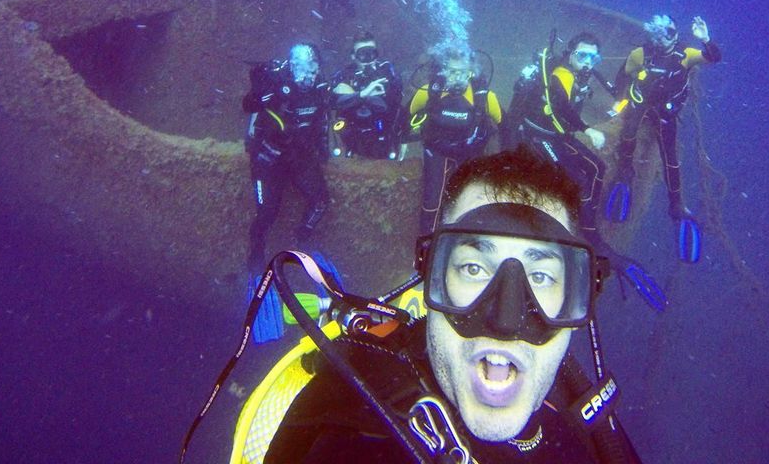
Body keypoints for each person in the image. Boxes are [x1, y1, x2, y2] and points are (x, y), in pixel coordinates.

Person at [263, 146, 643, 463]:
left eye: (541, 277)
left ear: (579, 296)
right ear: (431, 276)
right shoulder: (356, 434)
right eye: (474, 268)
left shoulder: (574, 405)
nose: (505, 321)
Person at [611, 15, 721, 263]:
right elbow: (625, 74)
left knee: (670, 158)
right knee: (628, 133)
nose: (663, 42)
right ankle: (625, 172)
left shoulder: (686, 54)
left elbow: (714, 57)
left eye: (668, 35)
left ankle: (676, 204)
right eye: (658, 37)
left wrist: (705, 39)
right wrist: (621, 101)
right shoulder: (642, 54)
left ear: (675, 34)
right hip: (643, 106)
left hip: (666, 113)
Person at [507, 32, 608, 238]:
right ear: (570, 54)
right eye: (582, 56)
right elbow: (562, 105)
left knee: (598, 167)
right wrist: (588, 129)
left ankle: (588, 220)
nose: (588, 62)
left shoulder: (582, 73)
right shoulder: (562, 73)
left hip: (559, 134)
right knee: (577, 180)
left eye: (593, 58)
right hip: (540, 135)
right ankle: (586, 233)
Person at [242, 43, 331, 268]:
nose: (308, 75)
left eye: (313, 69)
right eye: (302, 69)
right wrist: (266, 97)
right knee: (267, 212)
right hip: (269, 159)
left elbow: (322, 120)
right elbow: (248, 104)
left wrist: (323, 148)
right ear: (291, 66)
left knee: (320, 201)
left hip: (299, 157)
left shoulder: (320, 88)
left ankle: (301, 242)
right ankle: (256, 250)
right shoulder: (276, 83)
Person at [405, 49, 502, 235]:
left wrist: (505, 162)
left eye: (463, 72)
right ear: (442, 71)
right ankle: (428, 243)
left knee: (472, 199)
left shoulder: (484, 97)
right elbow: (404, 116)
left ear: (471, 73)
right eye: (451, 71)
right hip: (437, 149)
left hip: (471, 151)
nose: (457, 78)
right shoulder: (429, 93)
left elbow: (504, 125)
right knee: (432, 200)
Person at [330, 30, 403, 160]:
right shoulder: (344, 75)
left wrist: (353, 95)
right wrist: (365, 93)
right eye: (362, 55)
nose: (368, 59)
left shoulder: (386, 72)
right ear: (353, 56)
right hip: (351, 135)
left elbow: (392, 103)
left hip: (382, 134)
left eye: (372, 53)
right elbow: (334, 102)